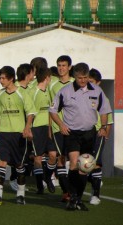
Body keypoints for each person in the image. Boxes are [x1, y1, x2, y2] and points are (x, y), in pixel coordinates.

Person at [49, 63, 112, 211]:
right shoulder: (65, 91)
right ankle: (71, 198)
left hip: (89, 133)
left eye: (85, 77)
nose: (83, 81)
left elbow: (104, 111)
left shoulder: (97, 90)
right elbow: (52, 110)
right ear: (74, 76)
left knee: (85, 167)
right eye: (79, 78)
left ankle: (77, 199)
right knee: (73, 163)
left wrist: (103, 127)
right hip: (72, 133)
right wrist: (62, 125)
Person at [0, 66, 36, 205]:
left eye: (3, 78)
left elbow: (30, 112)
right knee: (1, 163)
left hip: (18, 134)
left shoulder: (22, 93)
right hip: (3, 134)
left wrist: (27, 128)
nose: (1, 80)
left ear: (10, 78)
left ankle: (20, 194)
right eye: (0, 78)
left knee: (19, 165)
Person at [49, 55, 74, 202]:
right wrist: (50, 128)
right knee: (60, 159)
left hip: (74, 128)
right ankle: (66, 192)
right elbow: (51, 109)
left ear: (70, 67)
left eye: (64, 65)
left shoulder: (76, 83)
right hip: (58, 127)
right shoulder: (53, 85)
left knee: (73, 160)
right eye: (59, 65)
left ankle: (73, 190)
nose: (61, 68)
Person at [88, 68, 114, 205]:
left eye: (91, 82)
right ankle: (96, 181)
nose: (89, 84)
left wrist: (105, 134)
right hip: (85, 133)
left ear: (98, 82)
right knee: (84, 164)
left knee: (96, 163)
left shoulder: (104, 98)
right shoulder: (84, 95)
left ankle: (95, 195)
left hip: (98, 134)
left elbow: (109, 121)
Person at [28, 67, 56, 194]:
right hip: (37, 128)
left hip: (48, 128)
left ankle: (48, 177)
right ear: (47, 78)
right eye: (50, 77)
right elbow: (28, 111)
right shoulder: (33, 92)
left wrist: (50, 127)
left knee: (53, 155)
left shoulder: (48, 91)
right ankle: (40, 186)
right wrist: (28, 128)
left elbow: (50, 111)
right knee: (38, 158)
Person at [9, 63, 35, 192]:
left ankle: (20, 181)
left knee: (26, 155)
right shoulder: (16, 88)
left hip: (27, 127)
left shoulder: (29, 88)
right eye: (32, 72)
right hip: (16, 128)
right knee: (17, 155)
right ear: (28, 74)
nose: (34, 75)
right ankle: (14, 180)